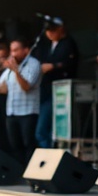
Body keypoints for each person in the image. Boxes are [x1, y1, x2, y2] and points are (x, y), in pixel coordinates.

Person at [0, 38, 41, 165]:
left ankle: (31, 171)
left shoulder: (33, 64)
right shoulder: (9, 69)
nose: (13, 54)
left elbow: (26, 87)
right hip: (12, 112)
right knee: (14, 144)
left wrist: (16, 71)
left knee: (28, 143)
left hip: (28, 112)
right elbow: (2, 88)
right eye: (12, 50)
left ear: (26, 50)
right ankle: (19, 171)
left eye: (16, 50)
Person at [36, 18, 79, 148]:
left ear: (60, 29)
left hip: (60, 91)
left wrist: (53, 66)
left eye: (52, 31)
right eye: (48, 31)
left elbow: (70, 64)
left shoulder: (68, 43)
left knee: (44, 131)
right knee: (46, 130)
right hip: (47, 90)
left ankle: (51, 155)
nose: (49, 34)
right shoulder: (47, 45)